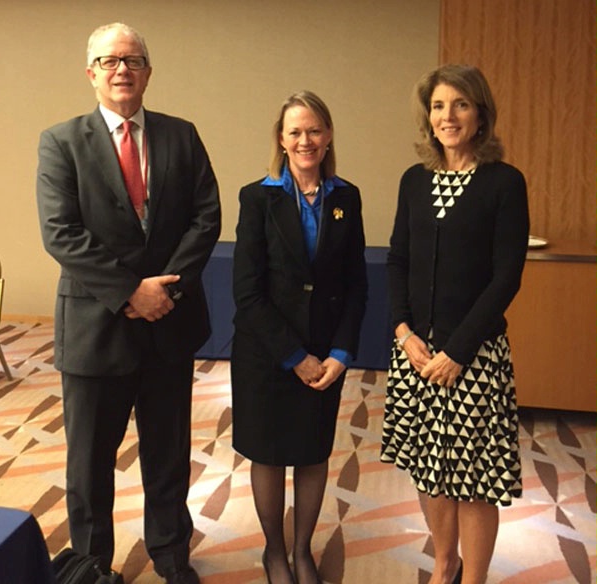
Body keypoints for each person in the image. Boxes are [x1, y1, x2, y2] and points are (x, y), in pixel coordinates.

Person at [36, 23, 221, 584]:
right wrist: (129, 293)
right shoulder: (61, 141)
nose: (122, 69)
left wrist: (163, 291)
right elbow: (60, 233)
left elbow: (205, 216)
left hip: (169, 323)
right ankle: (91, 566)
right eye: (109, 61)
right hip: (96, 330)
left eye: (133, 59)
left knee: (168, 454)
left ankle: (171, 555)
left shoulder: (180, 135)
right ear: (91, 72)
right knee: (90, 464)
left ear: (148, 71)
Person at [380, 64, 529, 584]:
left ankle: (474, 578)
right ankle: (445, 564)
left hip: (473, 358)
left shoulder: (504, 183)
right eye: (439, 106)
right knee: (430, 472)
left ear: (481, 114)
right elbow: (398, 260)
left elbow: (507, 276)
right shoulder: (413, 180)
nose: (448, 116)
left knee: (473, 481)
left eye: (460, 105)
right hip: (417, 356)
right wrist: (403, 332)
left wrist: (460, 350)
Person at [231, 90, 367, 584]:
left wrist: (339, 352)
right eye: (295, 132)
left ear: (328, 136)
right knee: (267, 453)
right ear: (282, 140)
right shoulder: (256, 197)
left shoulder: (347, 197)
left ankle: (303, 551)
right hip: (267, 354)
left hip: (325, 354)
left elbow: (356, 284)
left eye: (314, 130)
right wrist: (294, 356)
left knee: (312, 452)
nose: (305, 140)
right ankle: (274, 553)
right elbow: (246, 292)